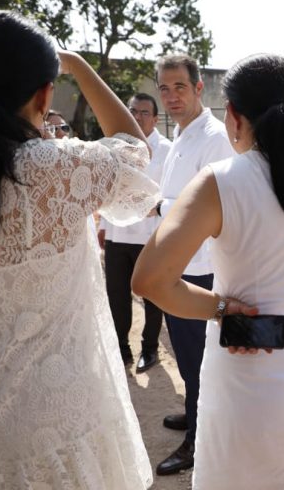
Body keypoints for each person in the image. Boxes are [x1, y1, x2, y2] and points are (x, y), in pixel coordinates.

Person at [133, 54, 284, 489]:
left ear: (234, 117)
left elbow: (150, 280)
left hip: (247, 384)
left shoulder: (220, 181)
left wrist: (221, 309)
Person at [0, 11, 157, 488]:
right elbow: (135, 150)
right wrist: (80, 66)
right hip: (65, 430)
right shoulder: (59, 169)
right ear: (45, 96)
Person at [149, 53, 236, 476]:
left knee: (197, 357)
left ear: (199, 88)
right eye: (164, 89)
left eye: (180, 87)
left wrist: (159, 207)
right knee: (186, 355)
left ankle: (199, 442)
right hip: (178, 262)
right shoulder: (181, 134)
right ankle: (193, 411)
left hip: (199, 266)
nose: (171, 97)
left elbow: (210, 205)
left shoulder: (215, 137)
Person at [98, 93, 172, 371]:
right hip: (117, 234)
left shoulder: (167, 150)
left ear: (155, 119)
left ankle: (149, 348)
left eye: (144, 112)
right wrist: (104, 226)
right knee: (117, 294)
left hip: (150, 235)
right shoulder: (116, 145)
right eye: (133, 111)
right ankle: (121, 348)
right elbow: (110, 190)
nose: (137, 117)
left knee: (151, 295)